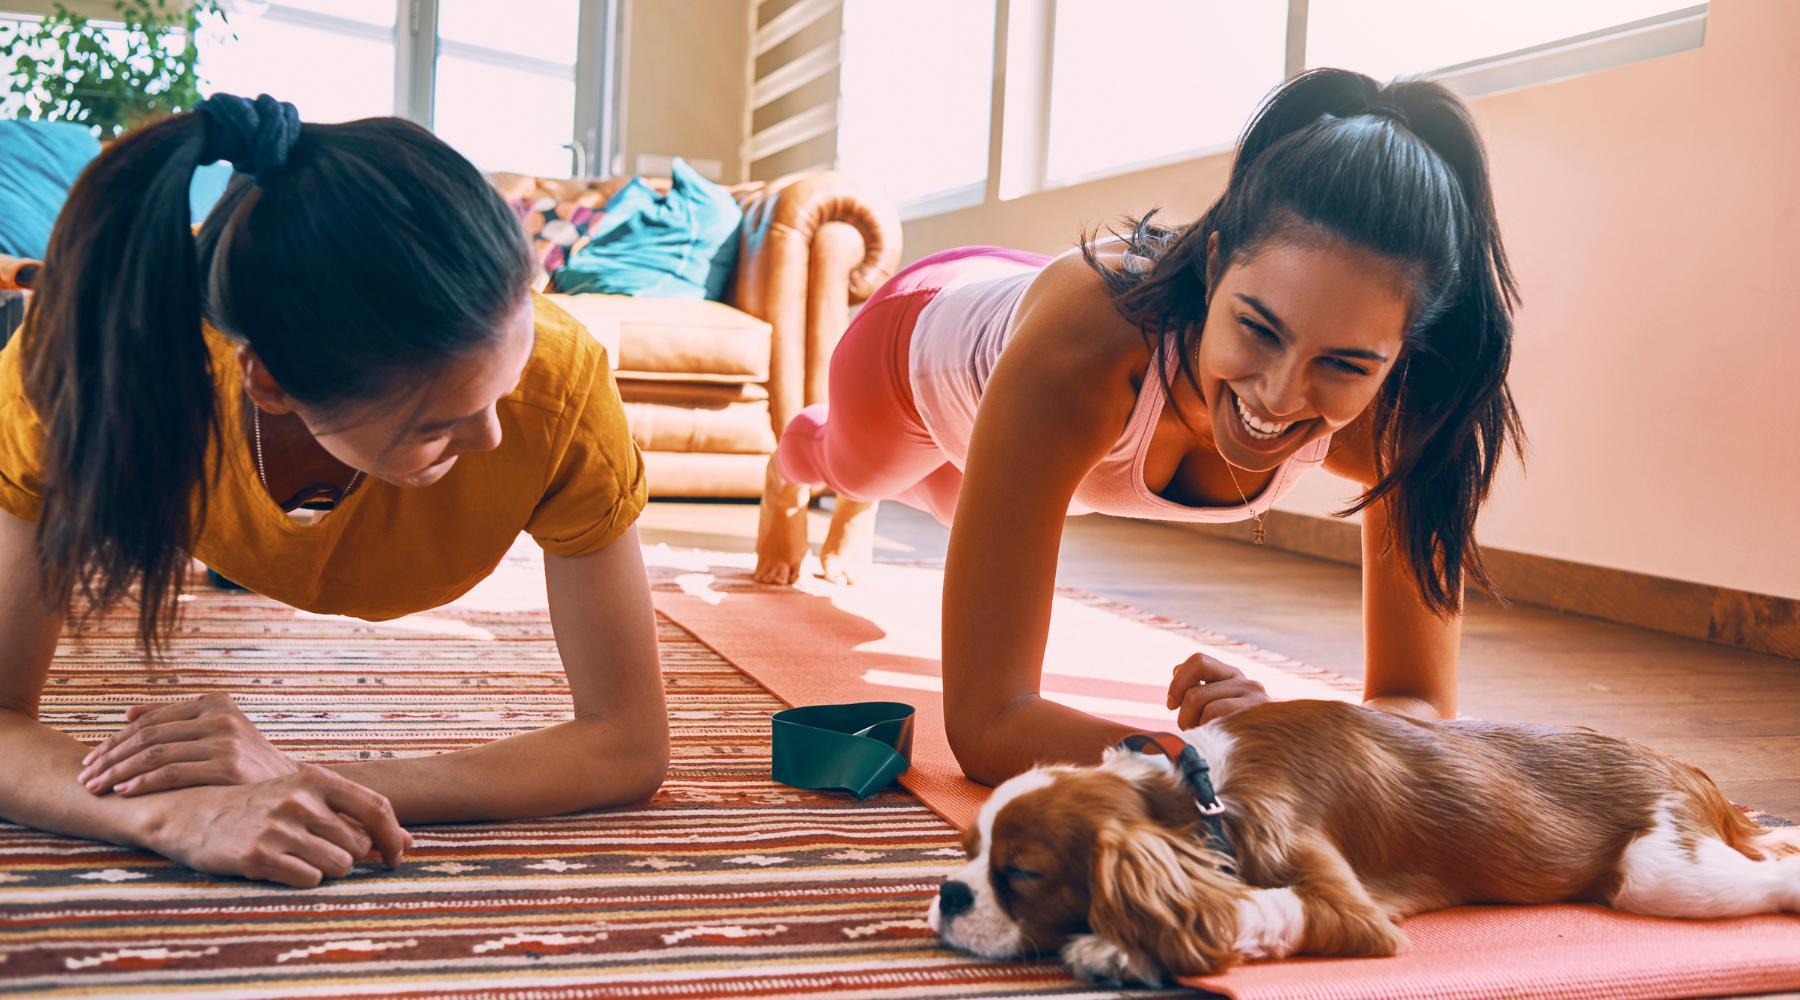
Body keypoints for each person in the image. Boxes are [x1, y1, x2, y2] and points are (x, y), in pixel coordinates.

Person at [755, 69, 1523, 784]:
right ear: (1215, 263)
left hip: (1047, 401)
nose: (1283, 397)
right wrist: (1211, 761)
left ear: (1400, 353)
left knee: (955, 501)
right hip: (916, 346)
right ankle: (790, 475)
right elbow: (987, 727)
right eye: (1258, 328)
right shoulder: (1084, 355)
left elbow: (1419, 709)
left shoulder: (1405, 419)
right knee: (851, 467)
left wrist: (1287, 733)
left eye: (1347, 365)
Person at [0, 94, 668, 887]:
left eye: (506, 387)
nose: (492, 438)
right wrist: (171, 813)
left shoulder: (563, 388)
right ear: (273, 384)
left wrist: (295, 773)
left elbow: (628, 743)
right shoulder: (94, 361)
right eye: (437, 423)